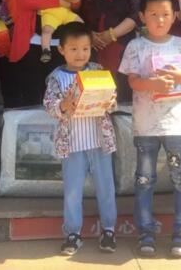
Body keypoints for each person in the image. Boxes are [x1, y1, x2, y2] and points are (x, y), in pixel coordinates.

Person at [119, 0, 181, 258]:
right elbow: (132, 81)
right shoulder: (136, 46)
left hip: (176, 125)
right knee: (145, 180)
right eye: (153, 14)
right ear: (142, 16)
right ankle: (146, 234)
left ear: (174, 16)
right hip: (146, 126)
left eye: (165, 14)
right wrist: (153, 84)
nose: (160, 20)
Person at [43, 22, 117, 256]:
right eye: (73, 49)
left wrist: (110, 101)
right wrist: (63, 105)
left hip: (100, 142)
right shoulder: (56, 77)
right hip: (72, 145)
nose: (80, 54)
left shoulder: (97, 70)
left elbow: (112, 100)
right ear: (61, 49)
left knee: (106, 188)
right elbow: (49, 105)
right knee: (73, 192)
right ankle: (73, 234)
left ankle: (108, 230)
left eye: (85, 49)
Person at [78, 0, 141, 104]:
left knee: (122, 102)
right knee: (91, 101)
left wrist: (111, 34)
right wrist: (89, 35)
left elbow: (136, 15)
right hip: (90, 49)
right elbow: (75, 14)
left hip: (122, 51)